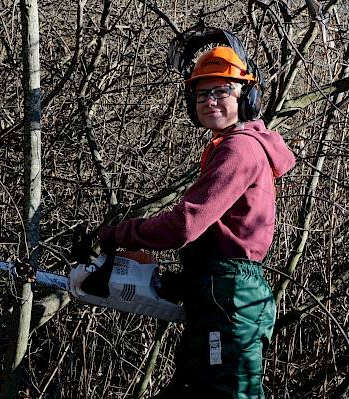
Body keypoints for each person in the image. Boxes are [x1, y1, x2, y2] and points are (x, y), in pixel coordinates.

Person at [97, 41, 295, 398]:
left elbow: (187, 224)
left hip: (232, 298)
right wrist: (183, 282)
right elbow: (219, 234)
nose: (210, 102)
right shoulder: (230, 146)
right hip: (219, 292)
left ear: (246, 98)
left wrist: (118, 235)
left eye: (221, 91)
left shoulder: (240, 148)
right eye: (202, 95)